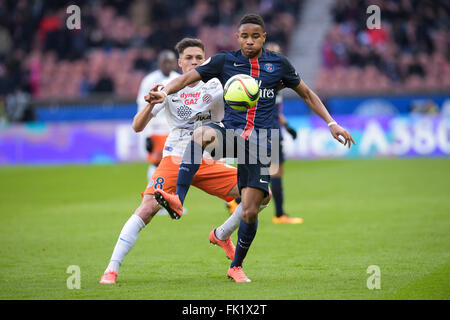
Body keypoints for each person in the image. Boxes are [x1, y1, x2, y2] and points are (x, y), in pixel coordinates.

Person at [149, 14, 356, 283]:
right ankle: (178, 199)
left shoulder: (278, 64)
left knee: (250, 209)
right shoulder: (225, 60)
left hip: (260, 142)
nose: (249, 41)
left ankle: (236, 265)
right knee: (200, 134)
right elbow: (187, 78)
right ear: (238, 37)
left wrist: (332, 123)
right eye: (245, 36)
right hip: (231, 134)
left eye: (255, 36)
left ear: (264, 37)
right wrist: (164, 92)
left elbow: (306, 93)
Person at [99, 38, 270, 285]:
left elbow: (242, 101)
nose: (194, 62)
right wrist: (150, 105)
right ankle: (111, 269)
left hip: (209, 158)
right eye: (189, 58)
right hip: (176, 157)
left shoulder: (218, 85)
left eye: (199, 58)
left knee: (261, 196)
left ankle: (221, 235)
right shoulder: (168, 89)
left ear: (205, 60)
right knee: (146, 209)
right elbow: (137, 126)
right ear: (179, 62)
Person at [264, 42, 303, 224]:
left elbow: (276, 111)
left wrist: (287, 126)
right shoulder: (274, 81)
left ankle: (236, 201)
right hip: (269, 132)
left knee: (262, 173)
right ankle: (279, 214)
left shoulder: (263, 80)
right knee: (275, 174)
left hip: (267, 130)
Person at [136, 50, 179, 182]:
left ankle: (170, 196)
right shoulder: (149, 80)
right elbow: (142, 107)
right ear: (159, 63)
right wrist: (146, 134)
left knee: (174, 164)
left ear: (175, 64)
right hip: (156, 128)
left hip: (174, 127)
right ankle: (153, 191)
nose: (167, 65)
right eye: (164, 62)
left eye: (170, 62)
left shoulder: (179, 79)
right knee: (156, 162)